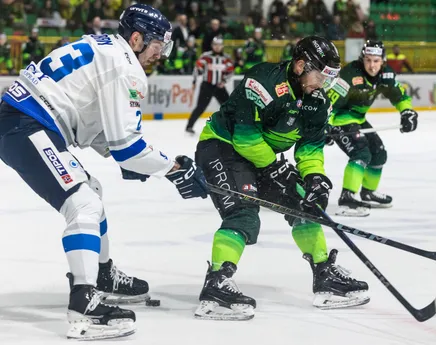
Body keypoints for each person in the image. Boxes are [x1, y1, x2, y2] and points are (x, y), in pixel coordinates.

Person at [0, 4, 207, 340]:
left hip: (25, 120)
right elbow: (128, 147)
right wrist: (172, 169)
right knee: (83, 205)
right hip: (26, 125)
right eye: (158, 47)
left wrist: (135, 160)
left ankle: (102, 273)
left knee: (91, 190)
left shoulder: (105, 47)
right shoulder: (125, 67)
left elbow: (95, 126)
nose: (161, 56)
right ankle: (84, 304)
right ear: (137, 39)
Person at [194, 36, 369, 321]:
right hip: (222, 147)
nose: (323, 84)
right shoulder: (263, 81)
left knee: (305, 204)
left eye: (329, 77)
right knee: (244, 212)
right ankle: (216, 282)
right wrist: (276, 167)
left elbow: (309, 147)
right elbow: (246, 139)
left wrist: (314, 177)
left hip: (262, 158)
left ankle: (324, 273)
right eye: (321, 75)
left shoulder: (318, 101)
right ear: (301, 65)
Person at [326, 40, 418, 217]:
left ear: (383, 61)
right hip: (339, 119)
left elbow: (399, 96)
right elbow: (330, 103)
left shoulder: (386, 75)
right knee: (361, 154)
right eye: (368, 60)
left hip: (358, 119)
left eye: (376, 61)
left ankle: (368, 192)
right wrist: (326, 126)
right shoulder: (350, 74)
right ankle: (347, 198)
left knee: (378, 154)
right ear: (362, 59)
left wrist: (407, 112)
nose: (372, 65)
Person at [186, 36, 234, 134]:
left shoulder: (226, 58)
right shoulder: (206, 56)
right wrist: (194, 81)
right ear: (212, 45)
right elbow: (197, 68)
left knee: (228, 107)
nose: (217, 47)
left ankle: (233, 128)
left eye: (219, 45)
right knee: (200, 107)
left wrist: (224, 81)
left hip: (219, 86)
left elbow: (230, 72)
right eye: (215, 45)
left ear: (222, 46)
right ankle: (189, 126)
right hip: (206, 85)